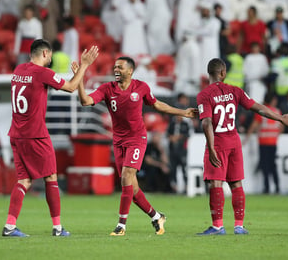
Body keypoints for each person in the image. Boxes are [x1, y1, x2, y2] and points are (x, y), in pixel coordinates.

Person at [75, 56, 197, 236]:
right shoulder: (107, 89)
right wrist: (80, 75)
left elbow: (158, 105)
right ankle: (156, 216)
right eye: (115, 67)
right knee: (132, 188)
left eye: (120, 67)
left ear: (130, 71)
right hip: (118, 142)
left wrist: (182, 113)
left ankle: (121, 225)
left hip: (137, 139)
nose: (116, 70)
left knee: (126, 176)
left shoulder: (141, 87)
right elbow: (85, 101)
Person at [2, 39, 99, 237]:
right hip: (35, 134)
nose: (51, 59)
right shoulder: (42, 73)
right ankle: (57, 228)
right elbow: (72, 87)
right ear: (45, 53)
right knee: (51, 177)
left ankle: (10, 226)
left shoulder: (19, 70)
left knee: (24, 180)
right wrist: (85, 65)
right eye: (51, 55)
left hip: (16, 134)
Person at [196, 58, 288, 235]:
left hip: (218, 142)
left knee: (216, 183)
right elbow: (258, 108)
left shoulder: (204, 95)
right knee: (236, 184)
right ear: (223, 73)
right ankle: (239, 226)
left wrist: (211, 148)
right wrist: (280, 118)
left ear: (209, 73)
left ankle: (218, 226)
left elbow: (206, 123)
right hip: (234, 141)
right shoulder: (235, 91)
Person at [245, 93, 283, 194]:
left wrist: (246, 138)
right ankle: (277, 187)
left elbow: (254, 126)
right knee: (273, 166)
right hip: (273, 143)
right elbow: (281, 127)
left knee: (265, 166)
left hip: (263, 142)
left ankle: (266, 188)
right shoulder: (277, 112)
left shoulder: (262, 111)